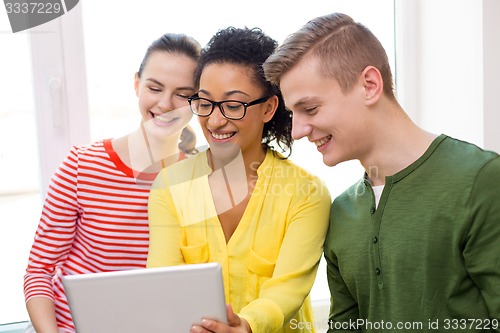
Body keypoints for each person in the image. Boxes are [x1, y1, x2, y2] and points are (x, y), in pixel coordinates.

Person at [263, 12, 500, 333]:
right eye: (293, 114)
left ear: (369, 85)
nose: (297, 131)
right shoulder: (342, 213)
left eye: (311, 108)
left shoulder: (482, 180)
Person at [147, 27, 332, 333]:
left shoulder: (306, 193)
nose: (215, 120)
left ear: (269, 108)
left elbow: (287, 290)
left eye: (234, 105)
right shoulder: (170, 185)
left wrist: (248, 324)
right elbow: (162, 279)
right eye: (204, 103)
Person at [23, 33, 202, 333]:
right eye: (154, 88)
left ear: (198, 102)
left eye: (183, 94)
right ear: (136, 84)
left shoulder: (200, 180)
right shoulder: (81, 165)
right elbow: (39, 271)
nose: (165, 103)